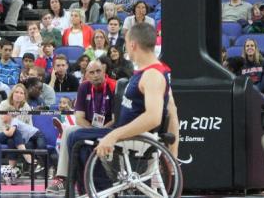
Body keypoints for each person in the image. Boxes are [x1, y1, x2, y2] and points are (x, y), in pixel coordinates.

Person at [66, 23, 179, 190]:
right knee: (75, 135)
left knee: (77, 138)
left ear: (132, 44)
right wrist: (173, 154)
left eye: (126, 42)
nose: (125, 46)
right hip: (129, 134)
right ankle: (92, 188)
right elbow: (173, 111)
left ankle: (99, 189)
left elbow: (154, 117)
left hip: (135, 138)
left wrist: (114, 135)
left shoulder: (153, 75)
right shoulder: (148, 71)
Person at [47, 59, 115, 195]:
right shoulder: (84, 87)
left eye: (98, 71)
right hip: (88, 127)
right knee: (69, 131)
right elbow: (79, 118)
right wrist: (92, 131)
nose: (95, 75)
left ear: (104, 72)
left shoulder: (113, 87)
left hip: (109, 129)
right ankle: (62, 177)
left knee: (76, 135)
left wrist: (98, 131)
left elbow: (115, 119)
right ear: (87, 75)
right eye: (91, 72)